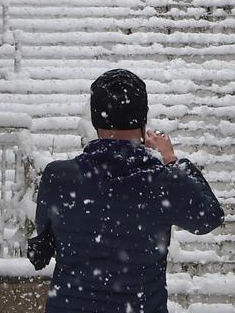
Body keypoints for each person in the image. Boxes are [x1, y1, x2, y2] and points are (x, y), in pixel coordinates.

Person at [30, 68, 224, 312]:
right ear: (143, 120)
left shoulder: (59, 176)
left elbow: (46, 234)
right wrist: (171, 160)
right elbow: (209, 217)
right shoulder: (162, 183)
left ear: (94, 119)